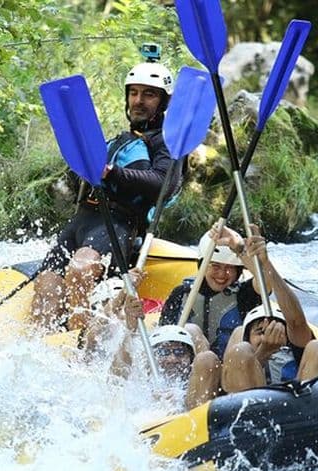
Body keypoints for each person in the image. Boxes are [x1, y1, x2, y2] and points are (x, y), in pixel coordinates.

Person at [32, 59, 180, 332]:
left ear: (163, 102)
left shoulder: (166, 142)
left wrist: (110, 173)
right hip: (83, 219)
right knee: (47, 281)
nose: (139, 100)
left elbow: (162, 184)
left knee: (80, 269)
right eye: (134, 92)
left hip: (119, 223)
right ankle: (43, 347)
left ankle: (79, 345)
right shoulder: (120, 139)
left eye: (149, 94)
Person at [159, 223, 279, 359]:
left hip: (233, 369)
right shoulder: (181, 294)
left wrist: (243, 250)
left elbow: (267, 283)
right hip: (196, 372)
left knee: (240, 332)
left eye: (230, 268)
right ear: (203, 265)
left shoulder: (244, 294)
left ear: (238, 271)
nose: (222, 274)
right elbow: (163, 336)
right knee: (190, 330)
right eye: (215, 266)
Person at [220, 254, 318, 391]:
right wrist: (264, 352)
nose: (268, 336)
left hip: (300, 407)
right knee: (240, 352)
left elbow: (296, 321)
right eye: (261, 332)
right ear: (248, 338)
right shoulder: (242, 355)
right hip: (252, 408)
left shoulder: (295, 352)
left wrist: (266, 262)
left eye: (277, 330)